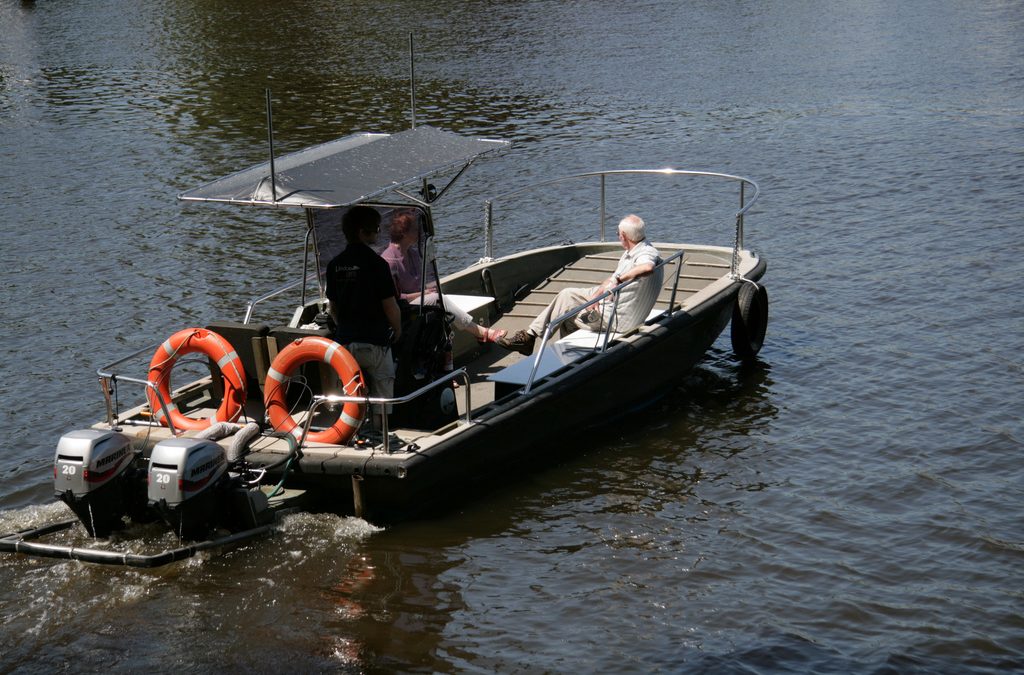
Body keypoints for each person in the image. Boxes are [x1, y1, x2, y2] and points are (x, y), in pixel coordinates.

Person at [498, 214, 663, 355]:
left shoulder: (646, 253)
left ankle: (564, 356)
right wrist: (598, 294)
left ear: (624, 236)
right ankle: (530, 336)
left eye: (618, 233)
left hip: (620, 319)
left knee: (565, 315)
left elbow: (647, 267)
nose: (617, 236)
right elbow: (614, 278)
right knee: (567, 294)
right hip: (613, 303)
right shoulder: (632, 252)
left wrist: (618, 281)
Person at [325, 205, 402, 431]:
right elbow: (390, 306)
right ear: (362, 233)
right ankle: (380, 434)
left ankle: (351, 433)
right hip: (375, 341)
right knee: (382, 394)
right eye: (375, 230)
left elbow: (334, 309)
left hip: (346, 344)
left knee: (351, 395)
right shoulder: (378, 265)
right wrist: (397, 331)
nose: (378, 234)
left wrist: (345, 329)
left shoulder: (334, 265)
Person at [381, 210, 507, 344]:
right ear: (404, 232)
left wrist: (428, 289)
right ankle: (481, 332)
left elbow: (419, 280)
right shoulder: (389, 261)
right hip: (403, 306)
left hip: (418, 298)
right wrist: (422, 293)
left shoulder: (411, 253)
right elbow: (394, 298)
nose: (419, 232)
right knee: (437, 299)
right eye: (415, 229)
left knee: (438, 294)